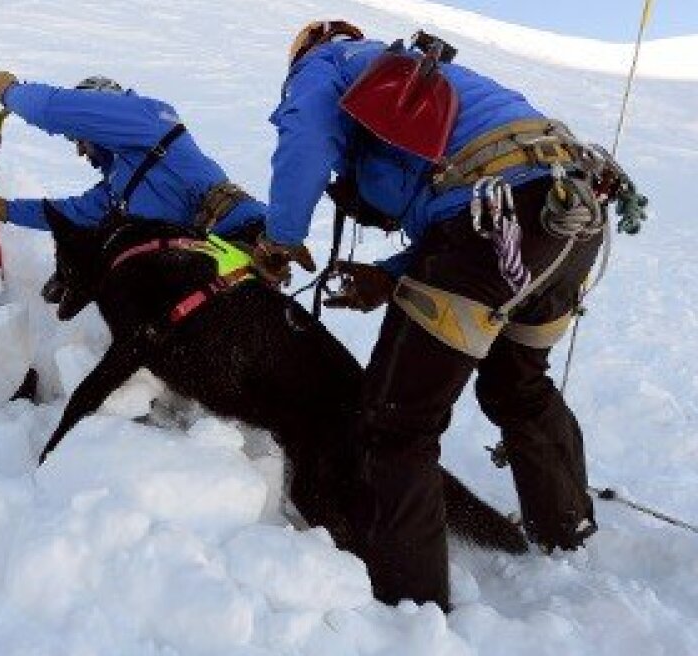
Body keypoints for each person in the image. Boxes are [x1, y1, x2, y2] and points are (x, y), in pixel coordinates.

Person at [256, 21, 610, 611]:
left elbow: (305, 139)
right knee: (519, 384)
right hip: (569, 215)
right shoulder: (434, 76)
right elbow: (464, 188)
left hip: (491, 222)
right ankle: (565, 530)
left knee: (397, 422)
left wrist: (281, 238)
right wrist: (392, 276)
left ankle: (410, 603)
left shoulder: (327, 64)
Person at [0, 72, 268, 248]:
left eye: (78, 137)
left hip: (244, 233)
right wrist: (0, 209)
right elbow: (70, 215)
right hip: (210, 254)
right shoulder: (121, 184)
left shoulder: (142, 116)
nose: (80, 151)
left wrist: (10, 91)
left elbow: (55, 110)